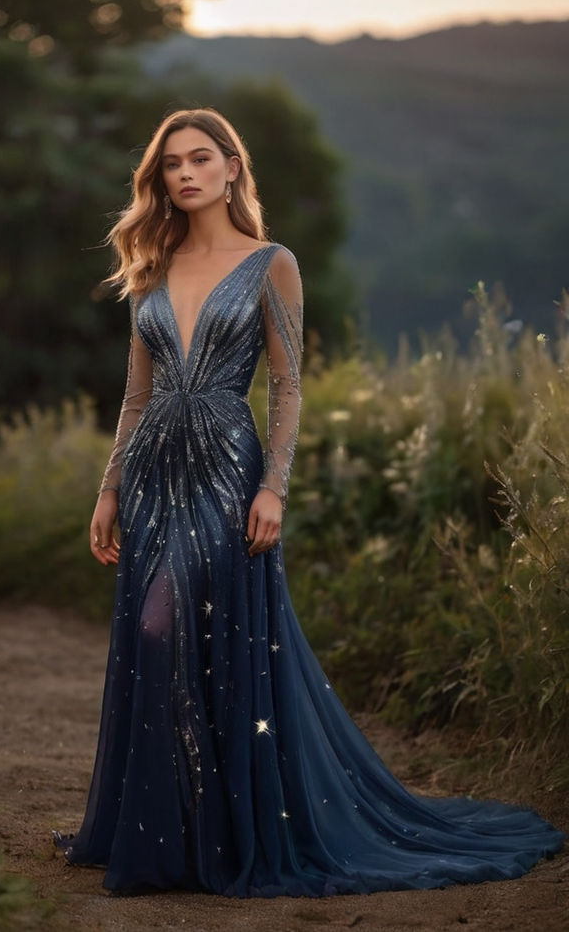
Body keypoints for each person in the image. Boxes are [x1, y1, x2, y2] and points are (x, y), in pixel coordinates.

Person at [53, 108, 563, 896]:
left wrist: (273, 486)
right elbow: (134, 394)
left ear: (231, 167)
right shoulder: (150, 265)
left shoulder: (272, 263)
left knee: (175, 624)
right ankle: (181, 827)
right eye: (169, 165)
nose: (184, 174)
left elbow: (288, 385)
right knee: (164, 637)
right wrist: (108, 487)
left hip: (227, 468)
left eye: (199, 159)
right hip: (154, 470)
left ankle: (224, 827)